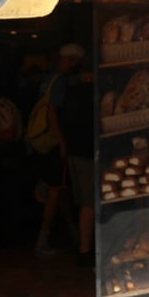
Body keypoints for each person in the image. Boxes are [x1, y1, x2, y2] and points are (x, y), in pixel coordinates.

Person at [30, 43, 86, 257]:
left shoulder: (50, 78)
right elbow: (53, 113)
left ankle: (74, 233)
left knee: (59, 187)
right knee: (55, 189)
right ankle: (42, 240)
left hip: (46, 142)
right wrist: (62, 141)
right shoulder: (61, 81)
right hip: (54, 143)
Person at [61, 63, 95, 267]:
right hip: (87, 153)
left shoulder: (70, 93)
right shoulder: (89, 94)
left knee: (85, 202)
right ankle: (85, 250)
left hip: (76, 152)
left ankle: (85, 249)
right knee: (89, 203)